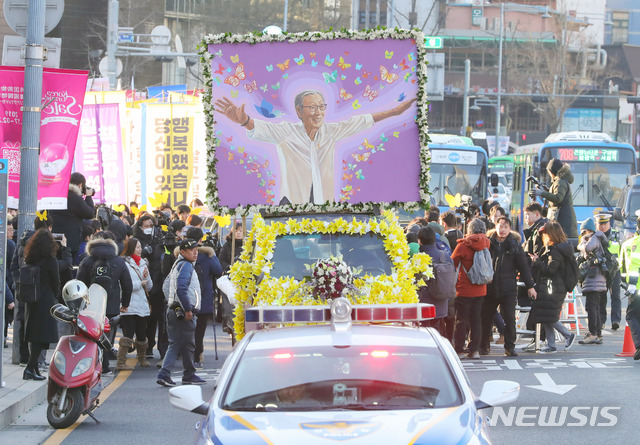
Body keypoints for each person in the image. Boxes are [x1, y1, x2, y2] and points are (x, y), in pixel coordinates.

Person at [215, 90, 417, 204]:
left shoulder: (331, 131)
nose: (318, 112)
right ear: (299, 111)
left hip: (324, 204)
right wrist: (244, 121)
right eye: (312, 107)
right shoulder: (287, 132)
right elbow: (260, 127)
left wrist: (395, 112)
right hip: (292, 203)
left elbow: (362, 120)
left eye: (321, 107)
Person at [77, 231, 133, 373]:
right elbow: (127, 284)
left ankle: (91, 364)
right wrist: (125, 304)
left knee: (91, 334)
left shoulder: (87, 260)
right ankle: (105, 365)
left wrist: (79, 305)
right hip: (111, 305)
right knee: (107, 335)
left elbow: (79, 284)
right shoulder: (119, 261)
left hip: (91, 305)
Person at [480, 217, 536, 357]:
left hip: (508, 289)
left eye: (506, 227)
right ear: (496, 227)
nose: (502, 229)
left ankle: (510, 347)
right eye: (500, 226)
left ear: (509, 229)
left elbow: (524, 268)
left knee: (510, 318)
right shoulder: (488, 243)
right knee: (486, 318)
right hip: (490, 287)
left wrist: (530, 286)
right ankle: (484, 345)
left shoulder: (514, 245)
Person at [157, 239, 204, 387]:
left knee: (183, 344)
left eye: (196, 249)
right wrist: (187, 308)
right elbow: (181, 289)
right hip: (183, 312)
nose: (195, 252)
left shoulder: (178, 265)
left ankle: (188, 374)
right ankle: (166, 374)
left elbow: (166, 286)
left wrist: (172, 303)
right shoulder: (186, 266)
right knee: (179, 344)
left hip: (175, 310)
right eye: (192, 250)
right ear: (182, 252)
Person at [529, 222, 576, 353]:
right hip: (553, 287)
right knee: (546, 315)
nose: (543, 237)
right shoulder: (558, 249)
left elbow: (550, 270)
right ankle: (551, 345)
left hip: (553, 287)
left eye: (545, 234)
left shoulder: (555, 251)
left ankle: (568, 335)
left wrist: (537, 262)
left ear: (551, 235)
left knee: (550, 316)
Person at [22, 229, 60, 380]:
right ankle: (30, 368)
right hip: (46, 301)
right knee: (41, 337)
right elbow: (56, 282)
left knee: (34, 336)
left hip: (32, 301)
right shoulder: (51, 260)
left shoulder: (30, 258)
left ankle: (34, 368)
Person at [451, 218, 490, 359]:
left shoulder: (463, 246)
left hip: (464, 289)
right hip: (481, 289)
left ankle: (459, 350)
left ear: (469, 230)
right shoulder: (486, 243)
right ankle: (475, 351)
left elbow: (452, 262)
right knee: (476, 319)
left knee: (461, 319)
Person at [185, 227, 223, 368]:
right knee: (200, 329)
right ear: (201, 240)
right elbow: (218, 272)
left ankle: (187, 355)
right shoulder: (208, 255)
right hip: (203, 296)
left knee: (187, 329)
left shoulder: (183, 254)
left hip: (186, 296)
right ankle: (197, 356)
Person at [132, 214, 167, 361]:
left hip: (158, 283)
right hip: (143, 284)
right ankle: (148, 347)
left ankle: (162, 349)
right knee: (148, 319)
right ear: (140, 227)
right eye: (145, 226)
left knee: (160, 317)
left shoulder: (160, 240)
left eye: (150, 226)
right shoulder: (136, 240)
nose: (148, 229)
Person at [120, 237, 153, 370]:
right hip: (129, 304)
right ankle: (121, 362)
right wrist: (140, 283)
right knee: (128, 334)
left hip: (142, 304)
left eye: (140, 247)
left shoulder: (143, 264)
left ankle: (142, 358)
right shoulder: (125, 264)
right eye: (138, 247)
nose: (140, 250)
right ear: (131, 248)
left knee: (141, 333)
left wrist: (146, 277)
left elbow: (149, 286)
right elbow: (123, 285)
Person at [49, 172, 97, 258]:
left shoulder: (58, 194)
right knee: (67, 266)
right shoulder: (74, 198)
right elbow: (90, 213)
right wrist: (88, 196)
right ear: (80, 185)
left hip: (53, 239)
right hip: (70, 242)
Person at [576, 217, 608, 345]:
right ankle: (598, 334)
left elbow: (587, 248)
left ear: (587, 230)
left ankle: (593, 333)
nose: (582, 235)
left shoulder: (593, 238)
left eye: (583, 232)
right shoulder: (597, 238)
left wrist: (582, 243)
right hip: (596, 279)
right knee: (595, 307)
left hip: (595, 279)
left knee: (591, 307)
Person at [417, 226, 453, 336]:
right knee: (438, 334)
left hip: (423, 304)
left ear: (419, 241)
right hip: (441, 302)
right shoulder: (445, 256)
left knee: (424, 335)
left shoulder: (417, 258)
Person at [531, 158, 578, 238]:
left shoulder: (560, 182)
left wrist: (542, 193)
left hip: (563, 220)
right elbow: (557, 194)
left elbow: (558, 198)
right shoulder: (560, 181)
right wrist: (545, 191)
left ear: (552, 171)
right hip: (563, 220)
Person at [595, 213, 622, 331]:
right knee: (601, 296)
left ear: (609, 223)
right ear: (596, 224)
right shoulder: (594, 236)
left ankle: (616, 320)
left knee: (615, 296)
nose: (602, 226)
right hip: (601, 270)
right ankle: (601, 321)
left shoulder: (617, 235)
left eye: (605, 223)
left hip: (615, 270)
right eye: (600, 224)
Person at [619, 215, 640, 359]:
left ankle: (639, 345)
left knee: (632, 316)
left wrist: (630, 283)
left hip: (637, 289)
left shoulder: (633, 243)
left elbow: (633, 265)